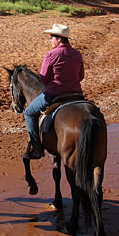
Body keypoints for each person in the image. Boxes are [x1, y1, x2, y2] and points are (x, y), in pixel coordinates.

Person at [23, 23, 84, 159]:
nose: (50, 40)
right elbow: (81, 76)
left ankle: (37, 147)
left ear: (59, 39)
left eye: (51, 38)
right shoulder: (77, 54)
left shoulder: (51, 54)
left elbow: (43, 79)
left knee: (29, 113)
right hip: (76, 94)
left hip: (54, 94)